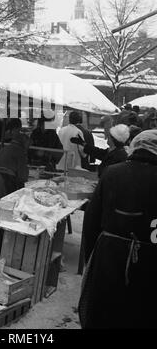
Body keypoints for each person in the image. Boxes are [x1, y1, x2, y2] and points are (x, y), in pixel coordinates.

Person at [79, 130, 157, 328]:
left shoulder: (112, 172)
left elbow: (91, 220)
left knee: (103, 313)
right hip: (149, 261)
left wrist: (92, 257)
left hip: (108, 255)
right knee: (138, 314)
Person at [0, 131, 29, 206]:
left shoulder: (5, 149)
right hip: (3, 181)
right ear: (25, 143)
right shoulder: (20, 152)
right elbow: (22, 177)